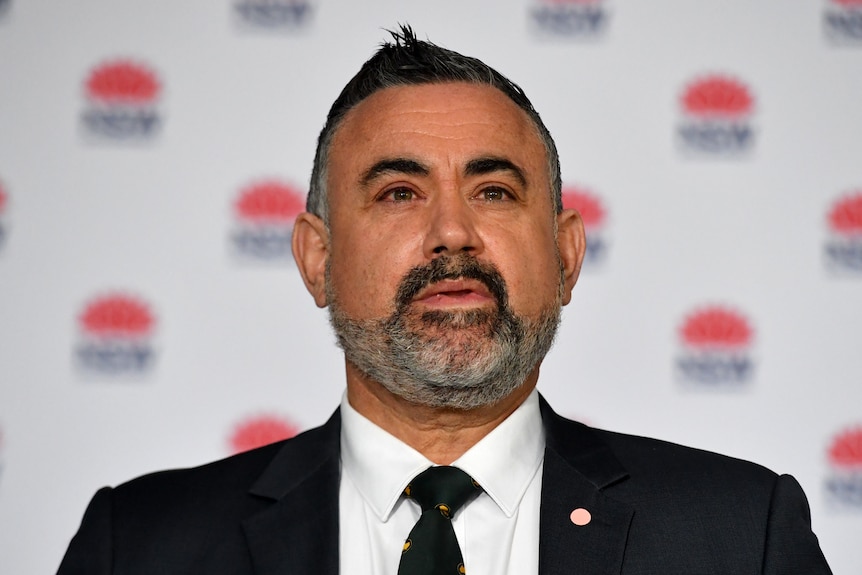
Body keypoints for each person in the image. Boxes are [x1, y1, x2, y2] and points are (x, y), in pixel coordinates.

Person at [57, 26, 832, 575]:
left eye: (494, 190)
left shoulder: (739, 536)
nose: (452, 232)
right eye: (399, 192)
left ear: (565, 255)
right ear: (317, 258)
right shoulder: (141, 544)